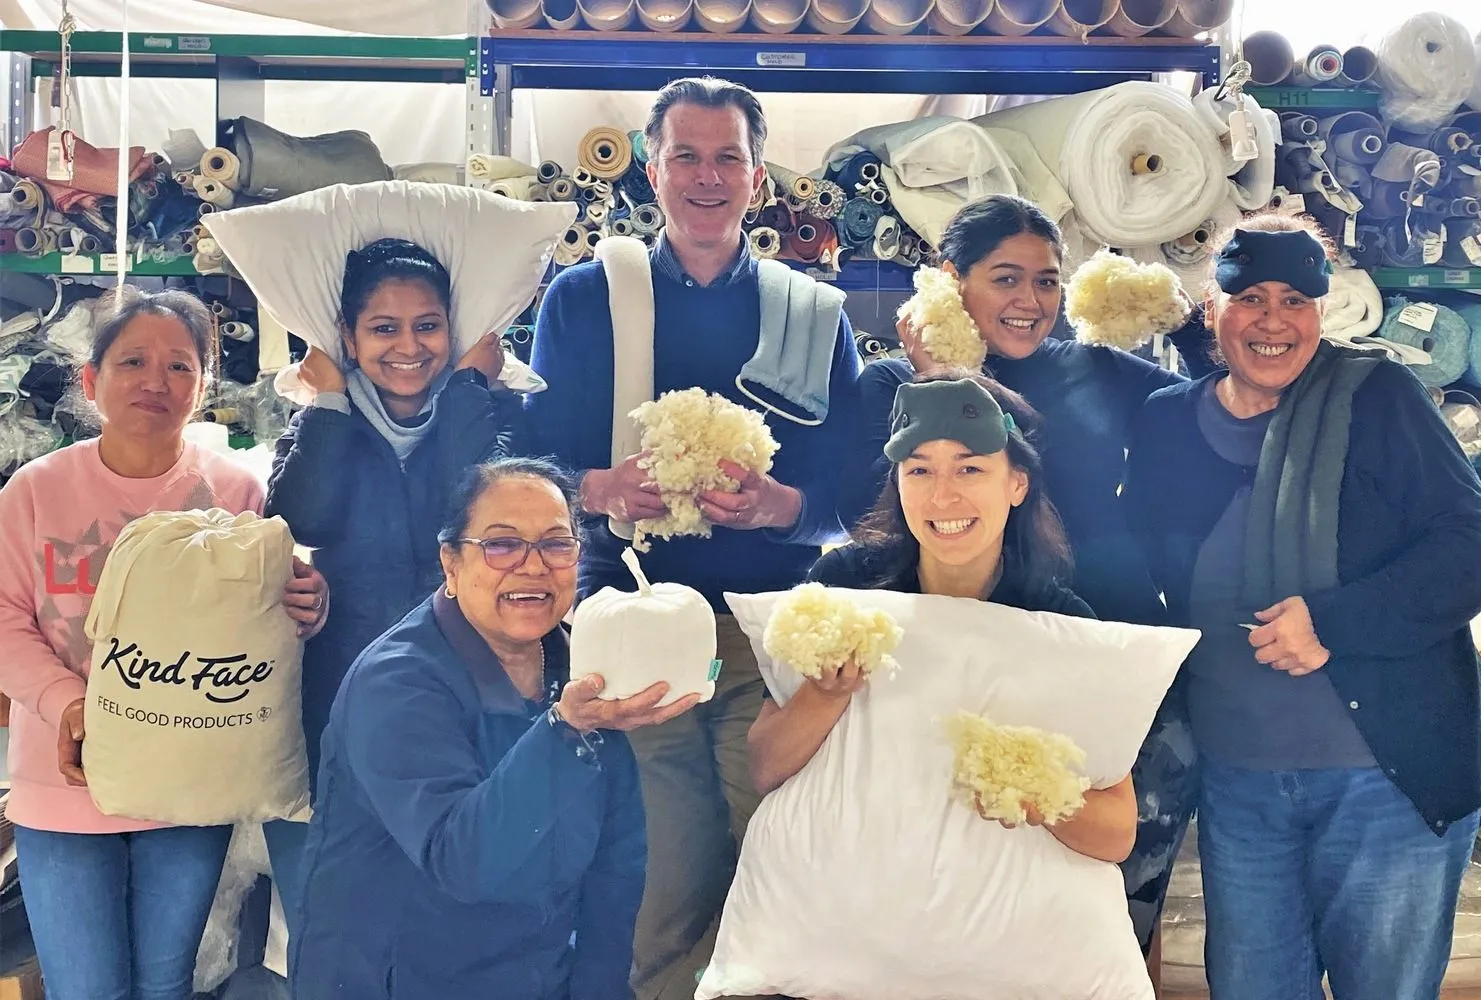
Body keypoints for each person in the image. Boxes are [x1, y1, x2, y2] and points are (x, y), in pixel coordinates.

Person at [524, 77, 860, 1000]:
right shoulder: (584, 300)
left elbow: (854, 496)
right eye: (686, 157)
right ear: (651, 168)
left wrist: (780, 507)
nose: (707, 177)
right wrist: (598, 488)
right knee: (657, 872)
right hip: (630, 619)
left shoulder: (811, 313)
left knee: (774, 857)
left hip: (765, 627)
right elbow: (528, 464)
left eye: (727, 159)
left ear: (759, 177)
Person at [1123, 212, 1481, 1000]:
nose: (1273, 321)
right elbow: (1150, 568)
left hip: (1384, 783)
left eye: (1295, 300)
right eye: (1250, 298)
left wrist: (1332, 622)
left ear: (1321, 310)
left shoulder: (1380, 398)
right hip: (1240, 782)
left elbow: (1473, 547)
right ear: (1212, 307)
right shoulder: (1166, 421)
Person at [839, 193, 1212, 950]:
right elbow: (865, 513)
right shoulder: (894, 384)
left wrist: (1185, 323)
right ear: (951, 280)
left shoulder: (1096, 368)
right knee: (987, 895)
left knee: (1121, 888)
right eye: (1005, 278)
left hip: (1116, 644)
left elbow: (1217, 409)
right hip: (980, 670)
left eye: (1046, 281)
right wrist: (946, 384)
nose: (1030, 301)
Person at [0, 289, 329, 1000]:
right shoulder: (34, 491)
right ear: (91, 380)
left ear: (202, 387)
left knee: (164, 982)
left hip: (190, 784)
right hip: (64, 785)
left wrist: (308, 602)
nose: (156, 381)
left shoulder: (238, 492)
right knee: (86, 988)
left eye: (180, 366)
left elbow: (265, 626)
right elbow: (4, 618)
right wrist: (71, 705)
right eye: (133, 362)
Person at [291, 457, 698, 999]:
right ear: (451, 563)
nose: (533, 566)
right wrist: (565, 731)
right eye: (502, 544)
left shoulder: (580, 668)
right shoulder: (396, 682)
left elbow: (616, 862)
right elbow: (464, 861)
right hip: (393, 979)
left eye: (556, 544)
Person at [750, 371, 1136, 866]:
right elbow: (764, 768)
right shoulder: (843, 591)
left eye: (969, 469)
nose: (942, 496)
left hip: (988, 892)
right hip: (858, 875)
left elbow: (1117, 834)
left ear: (1017, 483)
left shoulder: (1059, 622)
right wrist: (824, 695)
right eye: (919, 471)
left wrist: (1036, 792)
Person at [262, 237, 521, 934]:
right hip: (342, 692)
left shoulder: (490, 415)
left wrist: (467, 391)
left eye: (427, 325)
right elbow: (302, 519)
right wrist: (328, 403)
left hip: (467, 697)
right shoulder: (318, 423)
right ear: (348, 339)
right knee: (347, 910)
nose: (408, 346)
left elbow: (475, 509)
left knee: (453, 909)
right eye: (383, 328)